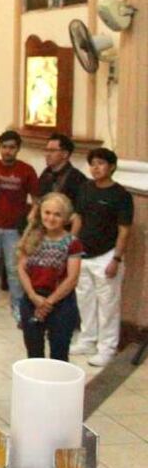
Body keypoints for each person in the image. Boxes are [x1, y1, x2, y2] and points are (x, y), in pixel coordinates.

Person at [70, 148, 133, 367]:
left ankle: (107, 349)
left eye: (100, 163)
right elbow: (78, 218)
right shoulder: (85, 188)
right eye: (92, 164)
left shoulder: (121, 195)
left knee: (108, 306)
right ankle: (87, 340)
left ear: (112, 166)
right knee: (85, 301)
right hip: (82, 254)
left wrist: (116, 259)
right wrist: (71, 245)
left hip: (107, 256)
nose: (95, 168)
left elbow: (124, 230)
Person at [0, 130, 39, 321]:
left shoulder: (27, 170)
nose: (7, 151)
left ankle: (17, 305)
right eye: (4, 147)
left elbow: (36, 199)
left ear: (18, 149)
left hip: (14, 228)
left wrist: (32, 220)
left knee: (14, 269)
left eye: (12, 147)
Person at [17, 193, 83, 362]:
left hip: (61, 303)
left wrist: (48, 303)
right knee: (33, 354)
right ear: (40, 213)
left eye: (57, 214)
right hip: (32, 300)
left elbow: (72, 278)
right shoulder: (30, 237)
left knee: (59, 356)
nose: (51, 218)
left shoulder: (72, 243)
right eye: (47, 212)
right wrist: (33, 296)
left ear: (65, 218)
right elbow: (22, 269)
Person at [38, 133, 87, 205]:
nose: (47, 154)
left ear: (65, 154)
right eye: (46, 150)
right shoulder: (46, 173)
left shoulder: (77, 178)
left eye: (52, 150)